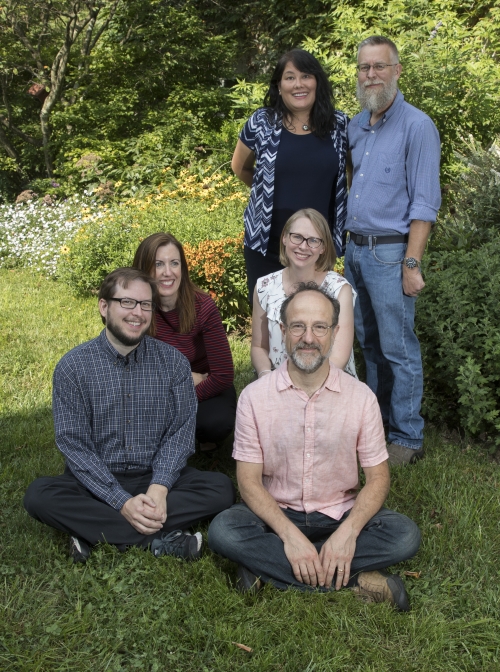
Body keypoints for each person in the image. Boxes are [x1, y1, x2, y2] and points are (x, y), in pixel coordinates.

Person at [208, 283, 420, 611]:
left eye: (319, 327)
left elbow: (378, 479)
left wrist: (349, 532)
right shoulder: (254, 397)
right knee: (223, 530)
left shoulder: (361, 397)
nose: (309, 337)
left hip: (339, 512)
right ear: (283, 331)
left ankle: (268, 568)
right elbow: (248, 482)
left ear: (334, 333)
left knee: (404, 534)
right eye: (298, 326)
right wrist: (290, 537)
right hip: (275, 515)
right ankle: (358, 581)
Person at [24, 268, 235, 563]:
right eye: (127, 302)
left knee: (220, 489)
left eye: (145, 304)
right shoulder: (73, 367)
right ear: (104, 306)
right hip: (96, 479)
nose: (137, 313)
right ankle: (163, 540)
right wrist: (121, 501)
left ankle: (92, 533)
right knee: (39, 495)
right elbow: (74, 446)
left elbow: (181, 434)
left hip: (156, 476)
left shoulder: (173, 363)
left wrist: (160, 488)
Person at [344, 36, 441, 465]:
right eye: (364, 68)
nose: (371, 75)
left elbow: (424, 203)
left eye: (379, 67)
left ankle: (408, 436)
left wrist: (412, 263)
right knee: (367, 344)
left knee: (398, 348)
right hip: (353, 253)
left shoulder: (417, 126)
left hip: (389, 254)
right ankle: (378, 424)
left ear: (397, 70)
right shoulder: (354, 126)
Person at [231, 48, 349, 304]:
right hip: (267, 245)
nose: (298, 84)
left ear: (317, 81)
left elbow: (351, 174)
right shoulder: (261, 122)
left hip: (317, 247)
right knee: (269, 322)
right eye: (290, 77)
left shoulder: (339, 125)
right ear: (279, 84)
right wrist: (268, 192)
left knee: (313, 321)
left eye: (306, 76)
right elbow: (239, 167)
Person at [133, 233, 237, 452]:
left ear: (183, 268)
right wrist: (182, 381)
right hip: (159, 389)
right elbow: (131, 372)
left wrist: (179, 398)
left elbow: (223, 375)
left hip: (205, 386)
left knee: (215, 423)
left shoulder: (203, 307)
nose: (167, 272)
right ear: (144, 269)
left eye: (174, 263)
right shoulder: (135, 309)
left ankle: (193, 437)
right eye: (158, 264)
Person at [251, 208, 356, 377]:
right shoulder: (264, 287)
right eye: (297, 237)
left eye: (313, 240)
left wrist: (305, 389)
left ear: (323, 247)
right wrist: (266, 377)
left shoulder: (339, 290)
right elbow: (259, 347)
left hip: (328, 383)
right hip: (277, 382)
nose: (303, 246)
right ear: (285, 237)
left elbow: (339, 357)